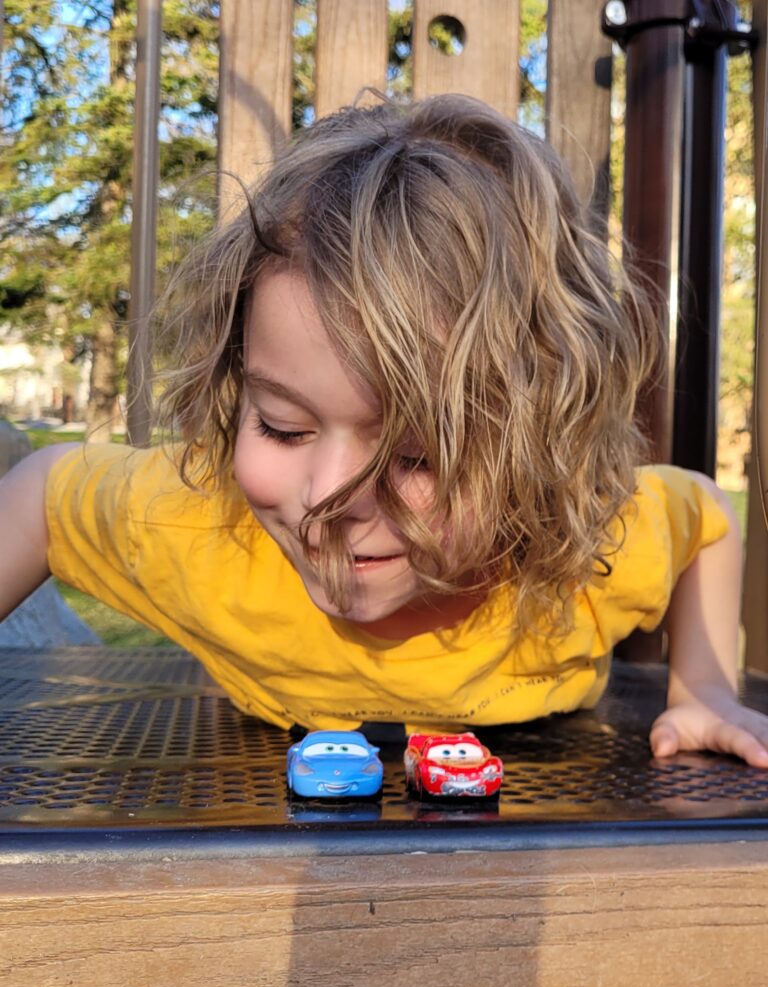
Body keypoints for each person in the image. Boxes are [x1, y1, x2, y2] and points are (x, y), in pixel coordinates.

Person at [1, 93, 765, 765]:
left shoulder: (585, 556)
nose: (327, 496)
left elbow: (704, 518)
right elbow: (43, 494)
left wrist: (703, 687)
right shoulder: (198, 526)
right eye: (284, 427)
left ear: (542, 455)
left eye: (417, 455)